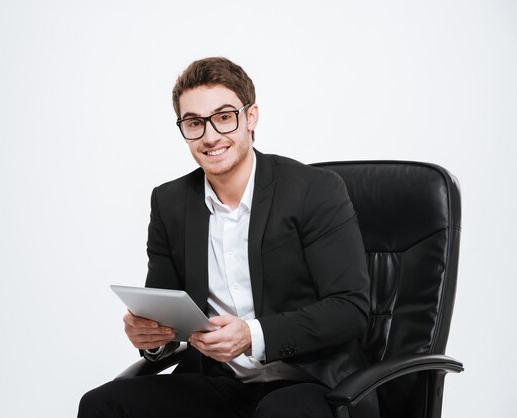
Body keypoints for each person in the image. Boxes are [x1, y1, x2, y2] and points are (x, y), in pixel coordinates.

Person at [78, 57, 378, 418]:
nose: (209, 136)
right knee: (102, 404)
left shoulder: (315, 191)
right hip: (219, 384)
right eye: (194, 123)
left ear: (251, 117)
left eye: (223, 117)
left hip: (311, 382)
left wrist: (253, 335)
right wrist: (152, 340)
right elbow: (168, 312)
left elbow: (350, 309)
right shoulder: (170, 203)